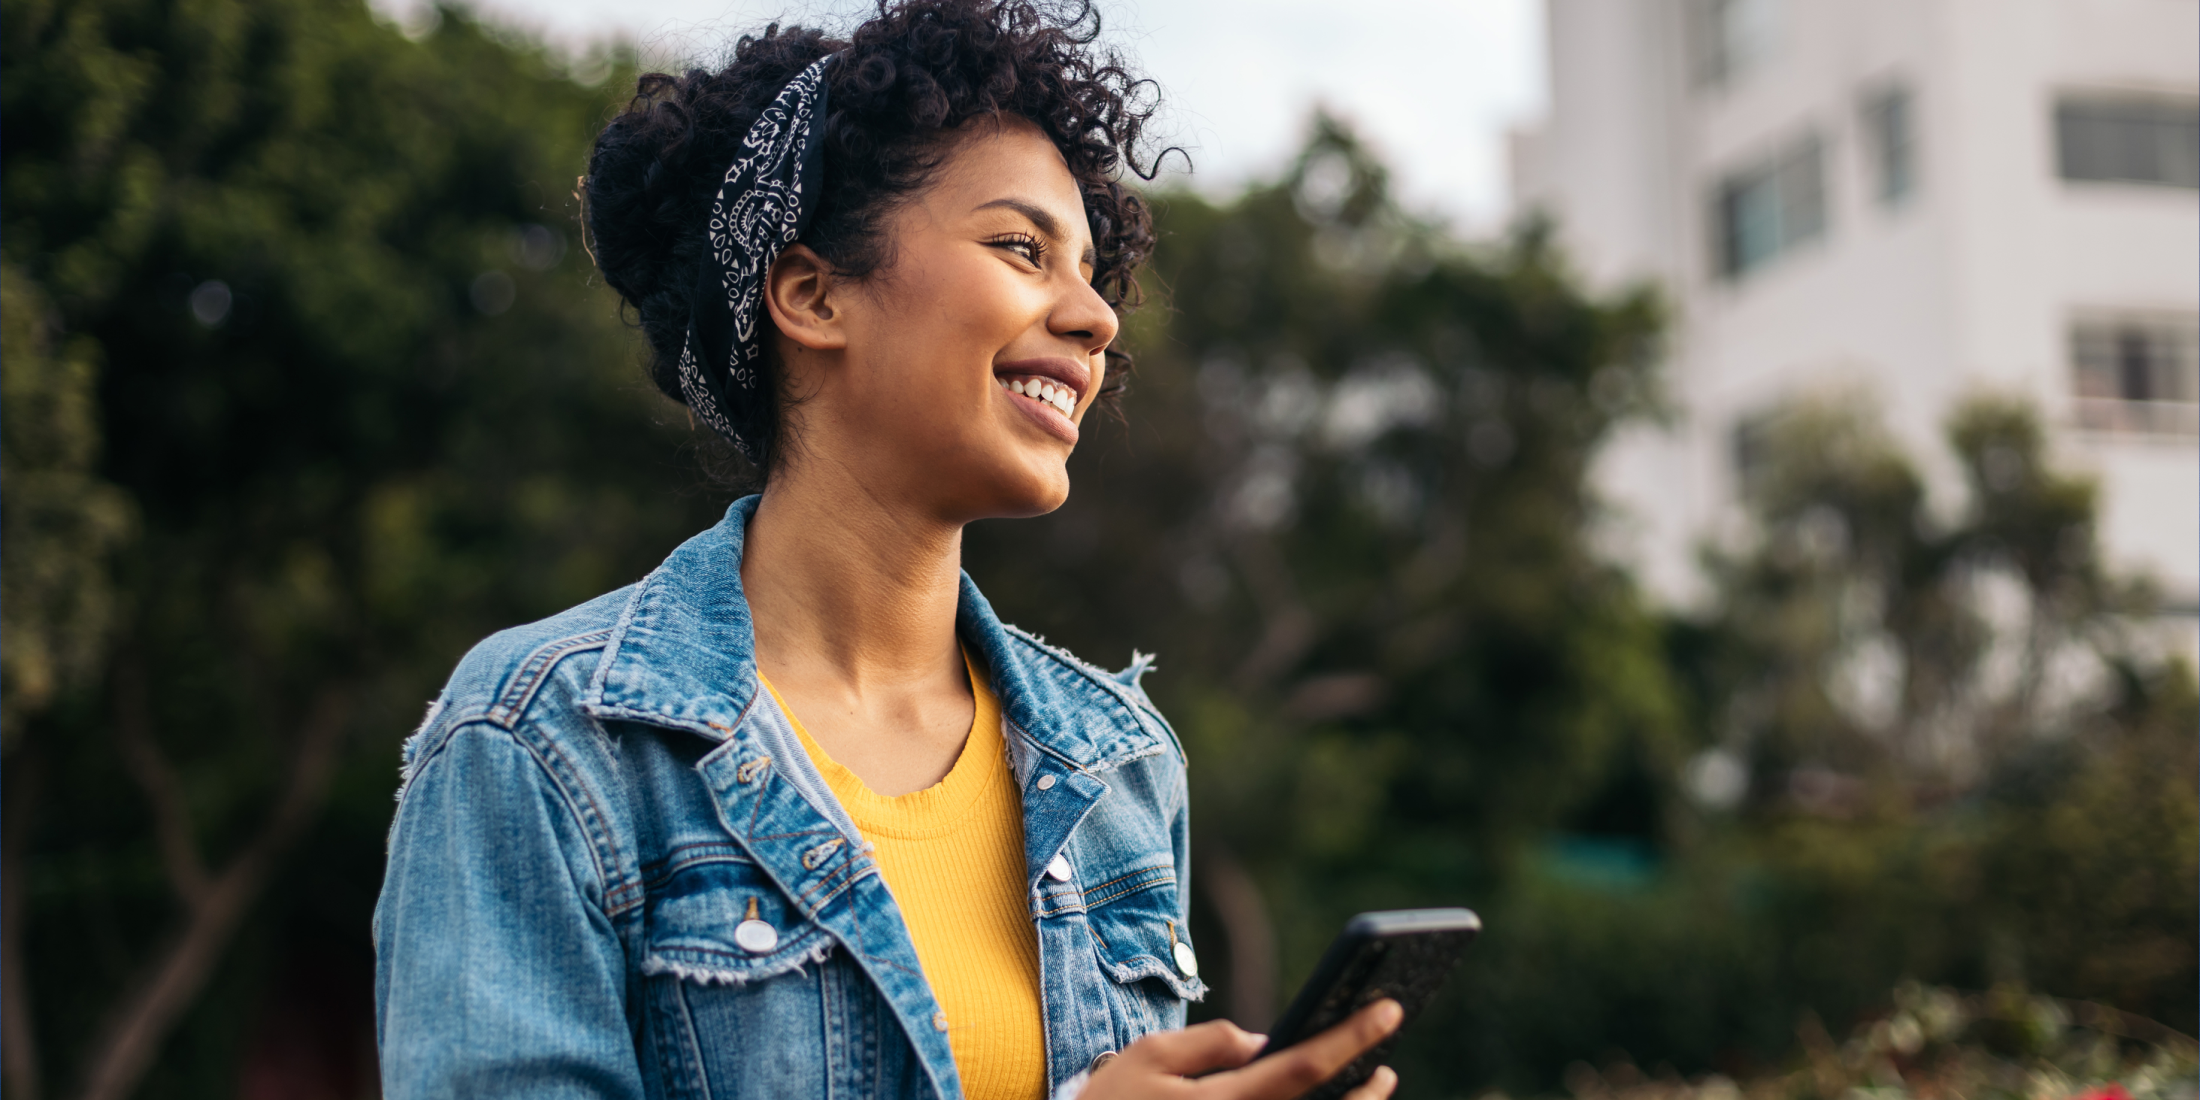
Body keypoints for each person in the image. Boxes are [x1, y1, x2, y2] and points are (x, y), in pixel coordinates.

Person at [372, 1, 1403, 1096]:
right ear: (812, 294)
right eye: (1021, 248)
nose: (1096, 318)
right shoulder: (544, 742)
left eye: (1092, 271)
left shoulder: (1120, 763)